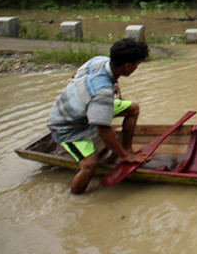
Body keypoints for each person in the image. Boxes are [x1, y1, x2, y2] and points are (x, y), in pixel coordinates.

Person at [47, 38, 150, 194]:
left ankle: (127, 149)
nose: (136, 68)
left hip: (83, 106)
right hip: (69, 125)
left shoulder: (99, 60)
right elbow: (103, 131)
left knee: (133, 109)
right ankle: (76, 198)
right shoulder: (102, 93)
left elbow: (76, 75)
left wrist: (97, 90)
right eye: (136, 64)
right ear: (128, 66)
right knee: (90, 165)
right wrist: (121, 156)